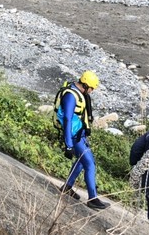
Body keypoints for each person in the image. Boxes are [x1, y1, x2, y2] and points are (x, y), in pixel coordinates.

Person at [56, 71, 110, 210]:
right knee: (90, 164)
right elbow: (67, 119)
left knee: (81, 160)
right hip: (74, 137)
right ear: (86, 85)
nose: (91, 91)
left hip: (79, 134)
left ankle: (67, 186)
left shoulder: (78, 92)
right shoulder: (71, 96)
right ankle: (93, 198)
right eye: (91, 88)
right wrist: (68, 144)